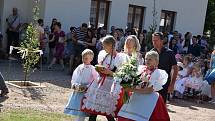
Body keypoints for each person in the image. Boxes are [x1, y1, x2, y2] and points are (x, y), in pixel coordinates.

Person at [82, 35, 128, 121]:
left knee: (107, 110)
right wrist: (99, 69)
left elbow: (121, 75)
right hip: (100, 83)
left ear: (111, 45)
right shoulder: (103, 54)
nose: (103, 47)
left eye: (105, 45)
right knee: (94, 107)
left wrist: (110, 72)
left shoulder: (120, 58)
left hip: (111, 85)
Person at [118, 51, 170, 121]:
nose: (147, 61)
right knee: (129, 116)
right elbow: (136, 83)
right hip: (137, 95)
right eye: (146, 59)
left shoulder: (158, 73)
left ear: (156, 62)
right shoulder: (141, 69)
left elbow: (150, 90)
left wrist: (133, 90)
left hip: (150, 98)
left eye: (150, 59)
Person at [64, 49, 98, 121]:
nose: (84, 60)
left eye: (86, 58)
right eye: (83, 58)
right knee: (77, 108)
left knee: (83, 109)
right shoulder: (79, 67)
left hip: (86, 92)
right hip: (78, 90)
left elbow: (95, 80)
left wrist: (88, 87)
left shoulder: (93, 69)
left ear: (91, 59)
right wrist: (74, 84)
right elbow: (75, 76)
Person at [151, 32, 178, 102]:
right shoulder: (151, 52)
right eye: (153, 40)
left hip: (164, 83)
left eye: (156, 40)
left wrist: (172, 84)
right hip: (152, 82)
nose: (154, 42)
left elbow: (175, 69)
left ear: (162, 41)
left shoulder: (169, 53)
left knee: (161, 104)